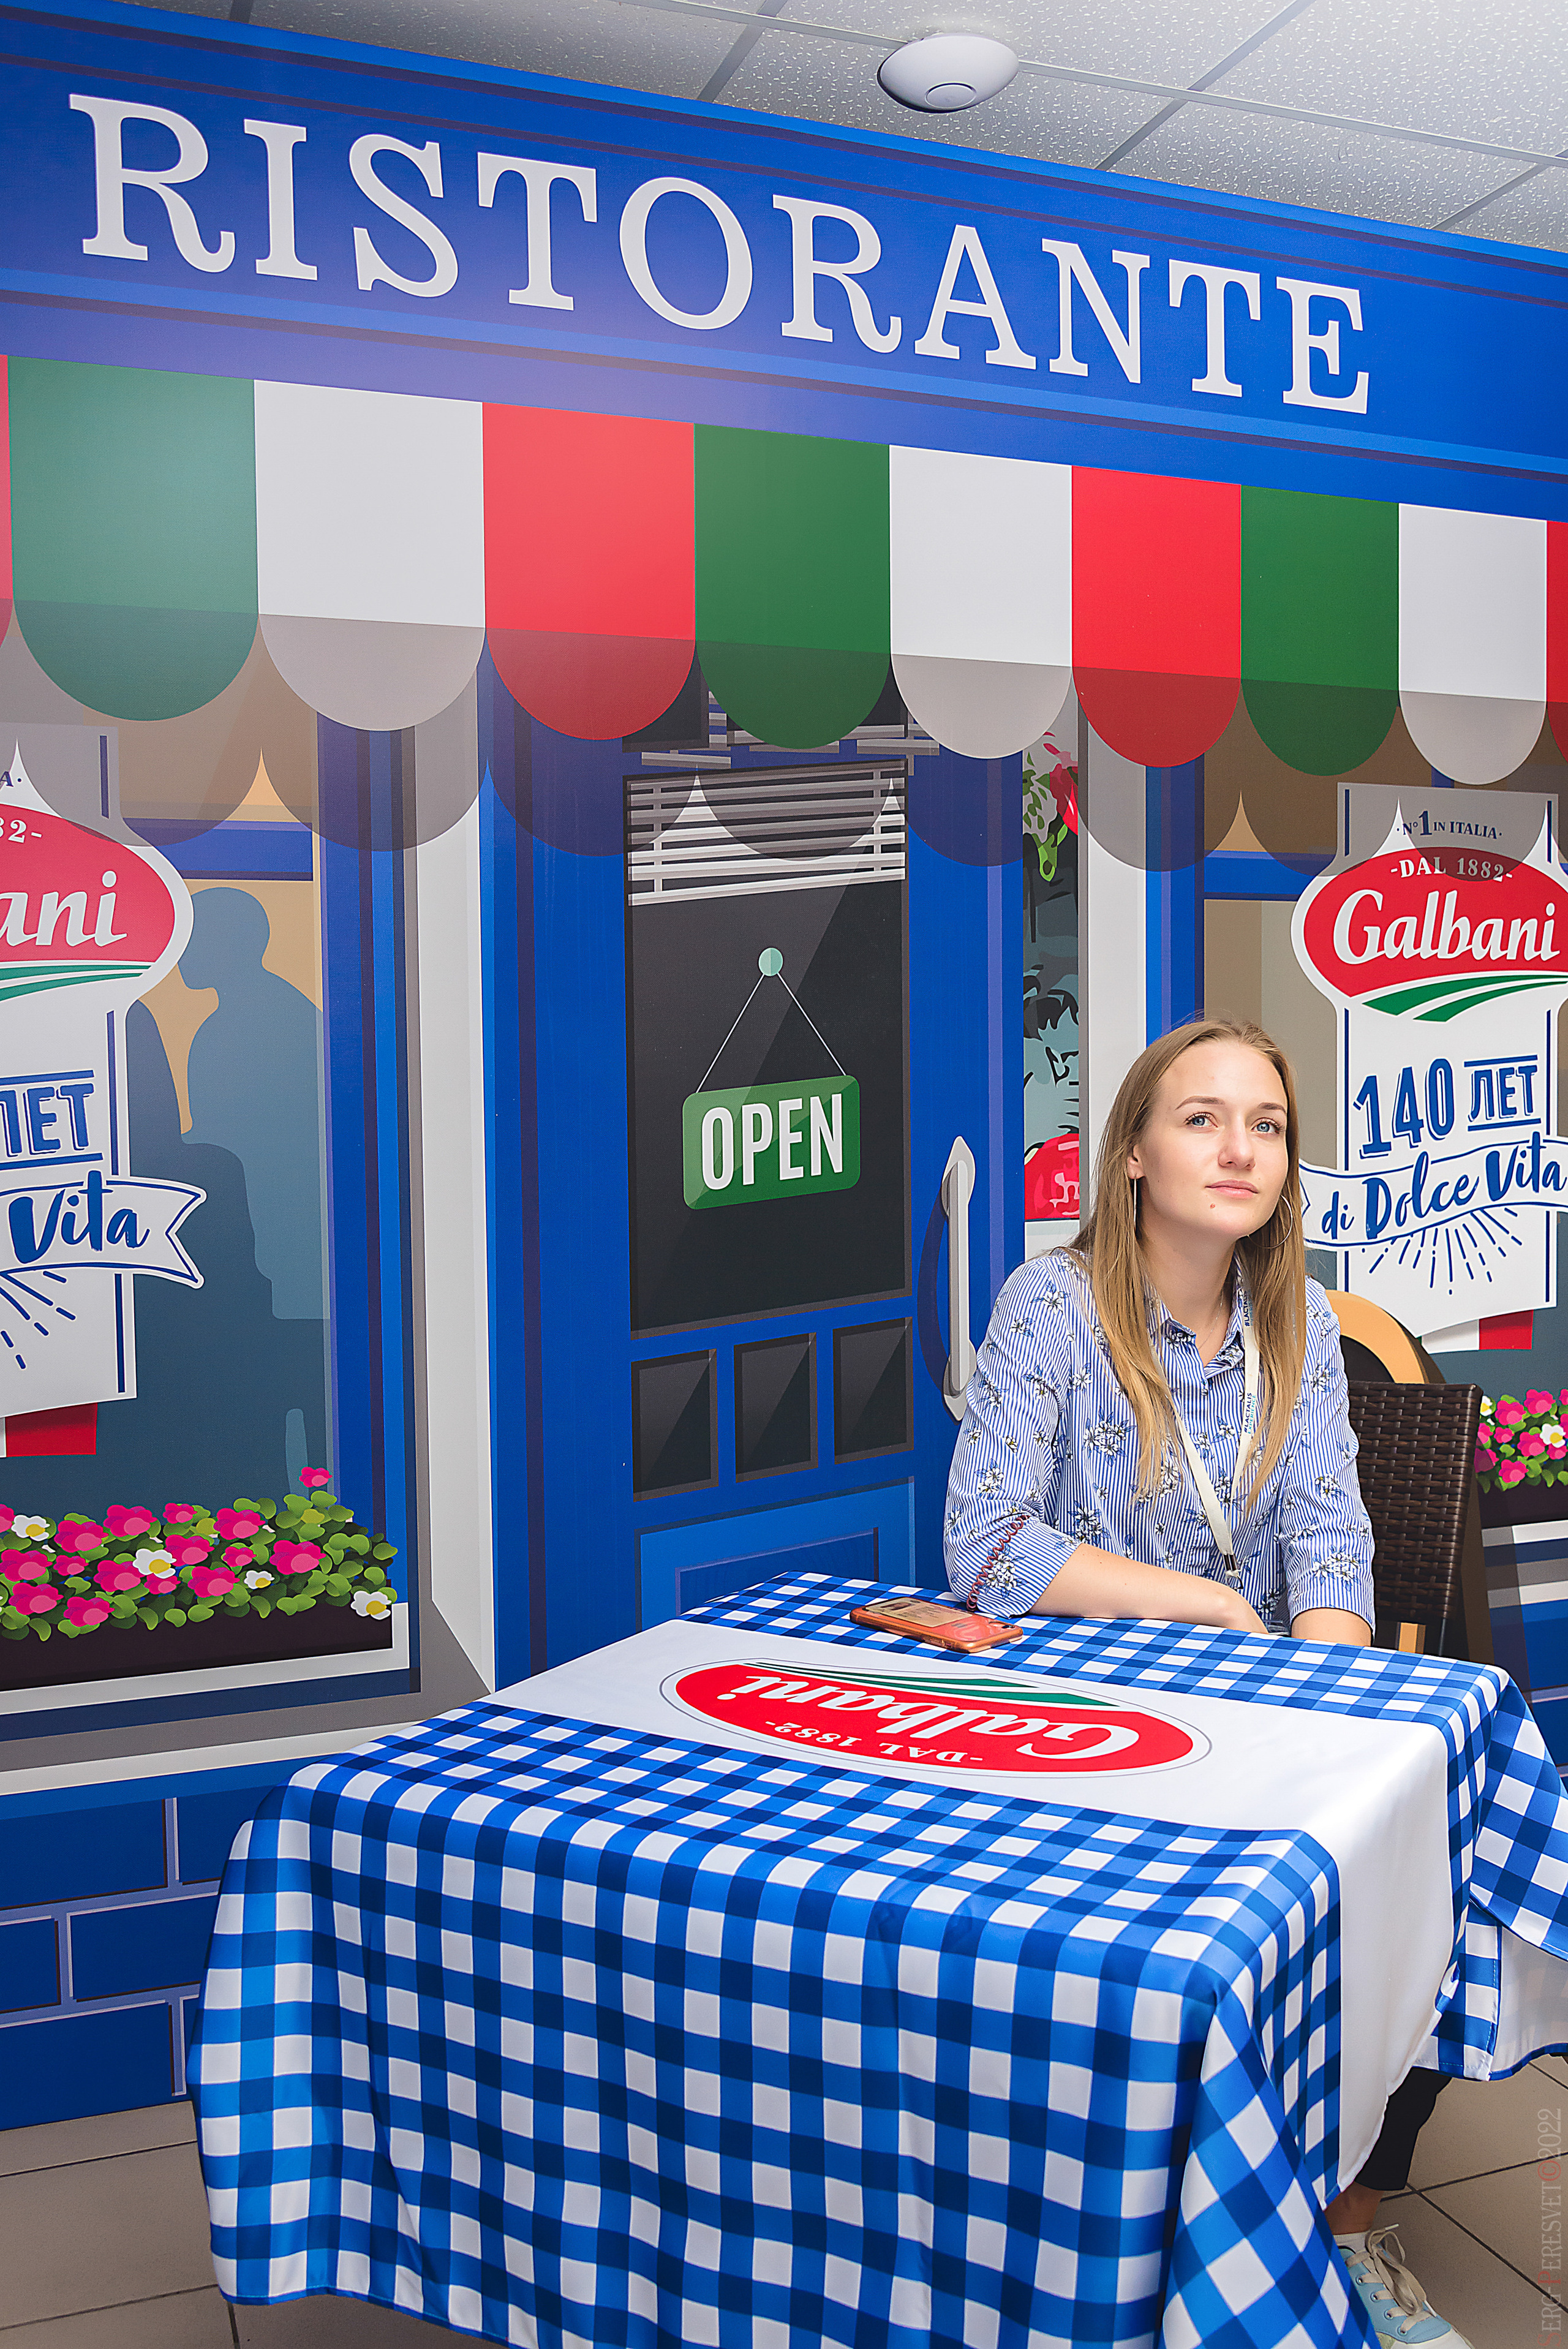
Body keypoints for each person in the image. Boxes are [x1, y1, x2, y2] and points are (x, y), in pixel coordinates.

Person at [944, 1015, 1466, 2349]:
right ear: (1128, 1152)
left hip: (1246, 1731)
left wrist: (1334, 1667)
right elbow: (988, 1543)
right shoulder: (1045, 1306)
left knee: (1383, 1911)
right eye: (1199, 1117)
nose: (1239, 1147)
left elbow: (1328, 1532)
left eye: (1266, 1125)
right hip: (1071, 1739)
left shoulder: (1291, 1321)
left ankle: (1344, 2247)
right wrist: (1213, 1606)